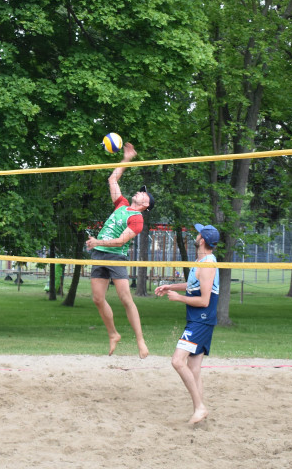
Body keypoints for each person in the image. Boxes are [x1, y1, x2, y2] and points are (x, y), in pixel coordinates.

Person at [85, 142, 154, 359]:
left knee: (126, 298)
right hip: (99, 254)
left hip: (115, 256)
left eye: (144, 194)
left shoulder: (137, 219)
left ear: (145, 205)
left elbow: (120, 241)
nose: (140, 193)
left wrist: (97, 242)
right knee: (97, 298)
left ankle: (141, 341)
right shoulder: (122, 205)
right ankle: (113, 334)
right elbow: (112, 179)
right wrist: (127, 158)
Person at [155, 223, 220, 424]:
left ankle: (200, 407)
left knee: (177, 361)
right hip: (197, 320)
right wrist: (170, 286)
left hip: (200, 321)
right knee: (194, 369)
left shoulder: (208, 264)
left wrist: (178, 298)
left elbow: (204, 301)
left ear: (203, 240)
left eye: (199, 233)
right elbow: (193, 286)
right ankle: (199, 411)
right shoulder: (200, 261)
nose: (196, 234)